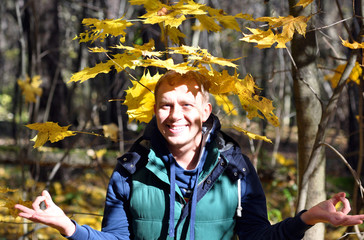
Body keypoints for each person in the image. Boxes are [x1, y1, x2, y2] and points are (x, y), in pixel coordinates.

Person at [15, 70, 364, 239]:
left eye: (186, 104)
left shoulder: (235, 168)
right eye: (165, 106)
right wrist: (69, 227)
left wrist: (308, 218)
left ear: (206, 110)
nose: (175, 115)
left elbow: (258, 238)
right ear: (155, 112)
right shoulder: (130, 169)